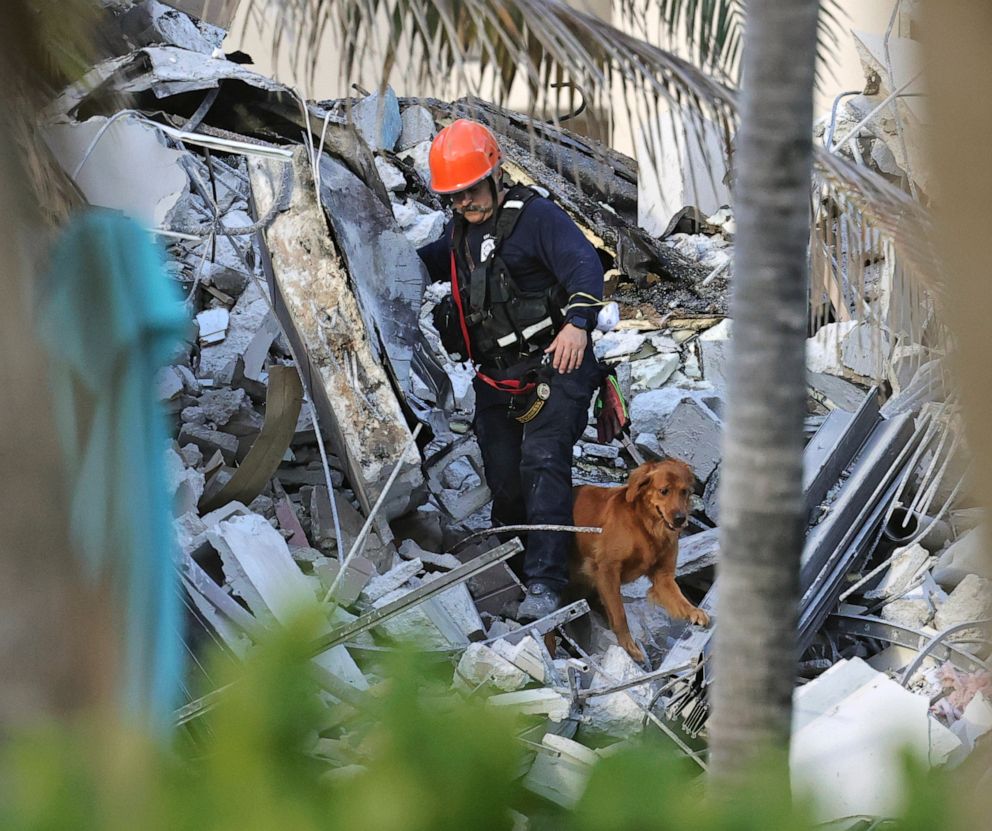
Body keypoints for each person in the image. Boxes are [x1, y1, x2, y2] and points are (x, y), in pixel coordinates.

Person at [417, 119, 605, 621]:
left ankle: (546, 584)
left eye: (470, 191)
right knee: (505, 478)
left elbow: (585, 266)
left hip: (555, 364)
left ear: (495, 174)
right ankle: (515, 570)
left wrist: (578, 324)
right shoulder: (459, 234)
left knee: (543, 463)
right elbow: (421, 264)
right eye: (453, 197)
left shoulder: (538, 218)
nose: (464, 204)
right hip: (497, 376)